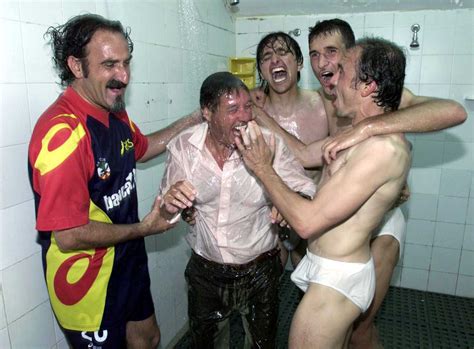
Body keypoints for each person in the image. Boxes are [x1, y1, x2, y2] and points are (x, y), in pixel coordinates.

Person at [252, 19, 467, 349]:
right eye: (315, 55)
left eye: (333, 54)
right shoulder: (333, 100)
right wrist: (258, 113)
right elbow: (304, 154)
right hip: (336, 234)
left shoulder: (380, 126)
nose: (324, 65)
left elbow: (452, 111)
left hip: (362, 243)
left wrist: (369, 129)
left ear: (353, 62)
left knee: (361, 331)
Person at [28, 14, 202, 348]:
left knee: (147, 338)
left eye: (125, 63)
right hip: (88, 280)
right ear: (77, 67)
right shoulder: (63, 134)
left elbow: (144, 147)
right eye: (109, 64)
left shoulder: (114, 112)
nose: (122, 76)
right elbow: (69, 236)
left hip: (126, 259)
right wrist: (143, 229)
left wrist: (195, 118)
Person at [237, 37, 412, 348]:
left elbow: (306, 223)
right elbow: (306, 161)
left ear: (367, 85)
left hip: (337, 280)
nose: (331, 77)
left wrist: (262, 167)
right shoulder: (357, 135)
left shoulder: (382, 148)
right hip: (331, 268)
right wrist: (292, 200)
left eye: (342, 70)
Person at [158, 71, 316, 348]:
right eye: (233, 109)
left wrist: (288, 202)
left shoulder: (268, 143)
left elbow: (305, 188)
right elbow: (163, 210)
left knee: (260, 343)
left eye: (247, 107)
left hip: (260, 270)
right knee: (207, 343)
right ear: (207, 112)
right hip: (206, 271)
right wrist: (172, 204)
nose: (244, 116)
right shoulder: (184, 147)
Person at [254, 32, 328, 268]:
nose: (275, 59)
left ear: (299, 63)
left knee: (309, 288)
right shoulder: (251, 110)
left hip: (313, 214)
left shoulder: (324, 104)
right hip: (268, 219)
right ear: (261, 71)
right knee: (267, 288)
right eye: (266, 56)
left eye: (282, 52)